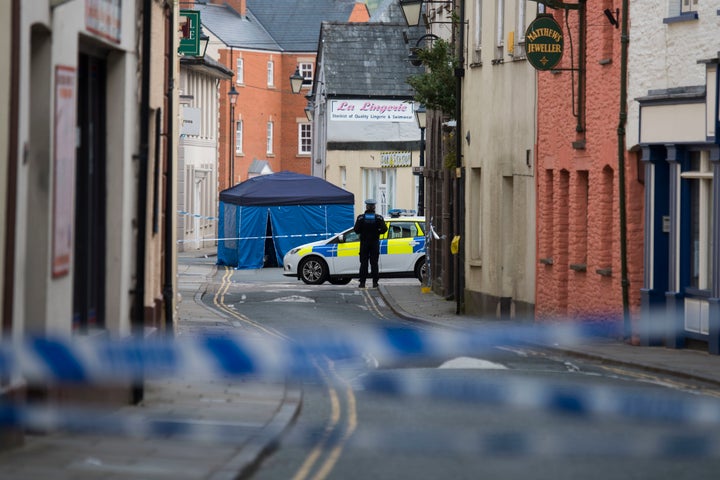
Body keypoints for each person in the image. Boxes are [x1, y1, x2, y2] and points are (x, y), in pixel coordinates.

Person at [354, 199, 388, 288]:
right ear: (374, 207)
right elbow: (384, 229)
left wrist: (363, 231)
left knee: (364, 263)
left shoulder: (360, 218)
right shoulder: (379, 218)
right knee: (374, 263)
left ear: (366, 207)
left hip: (364, 243)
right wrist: (377, 232)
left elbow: (356, 230)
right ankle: (375, 282)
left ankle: (362, 282)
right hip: (374, 243)